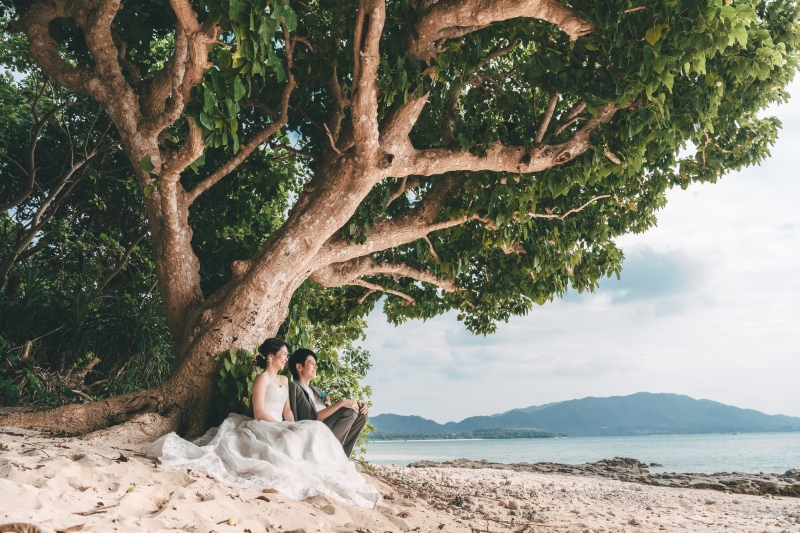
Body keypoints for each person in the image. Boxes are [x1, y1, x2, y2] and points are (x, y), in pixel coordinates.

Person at [143, 338, 380, 508]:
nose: (286, 358)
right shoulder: (261, 379)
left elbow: (288, 411)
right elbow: (258, 411)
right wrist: (281, 425)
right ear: (271, 357)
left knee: (307, 429)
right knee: (293, 436)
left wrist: (293, 424)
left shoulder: (286, 380)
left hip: (281, 422)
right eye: (284, 355)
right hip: (263, 424)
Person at [288, 348, 368, 458]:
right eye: (312, 363)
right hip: (312, 432)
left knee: (361, 415)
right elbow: (310, 417)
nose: (316, 367)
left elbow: (330, 410)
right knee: (349, 411)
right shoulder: (294, 387)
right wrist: (341, 403)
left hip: (327, 428)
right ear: (299, 367)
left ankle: (342, 455)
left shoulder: (318, 390)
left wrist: (358, 406)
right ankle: (330, 454)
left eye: (316, 364)